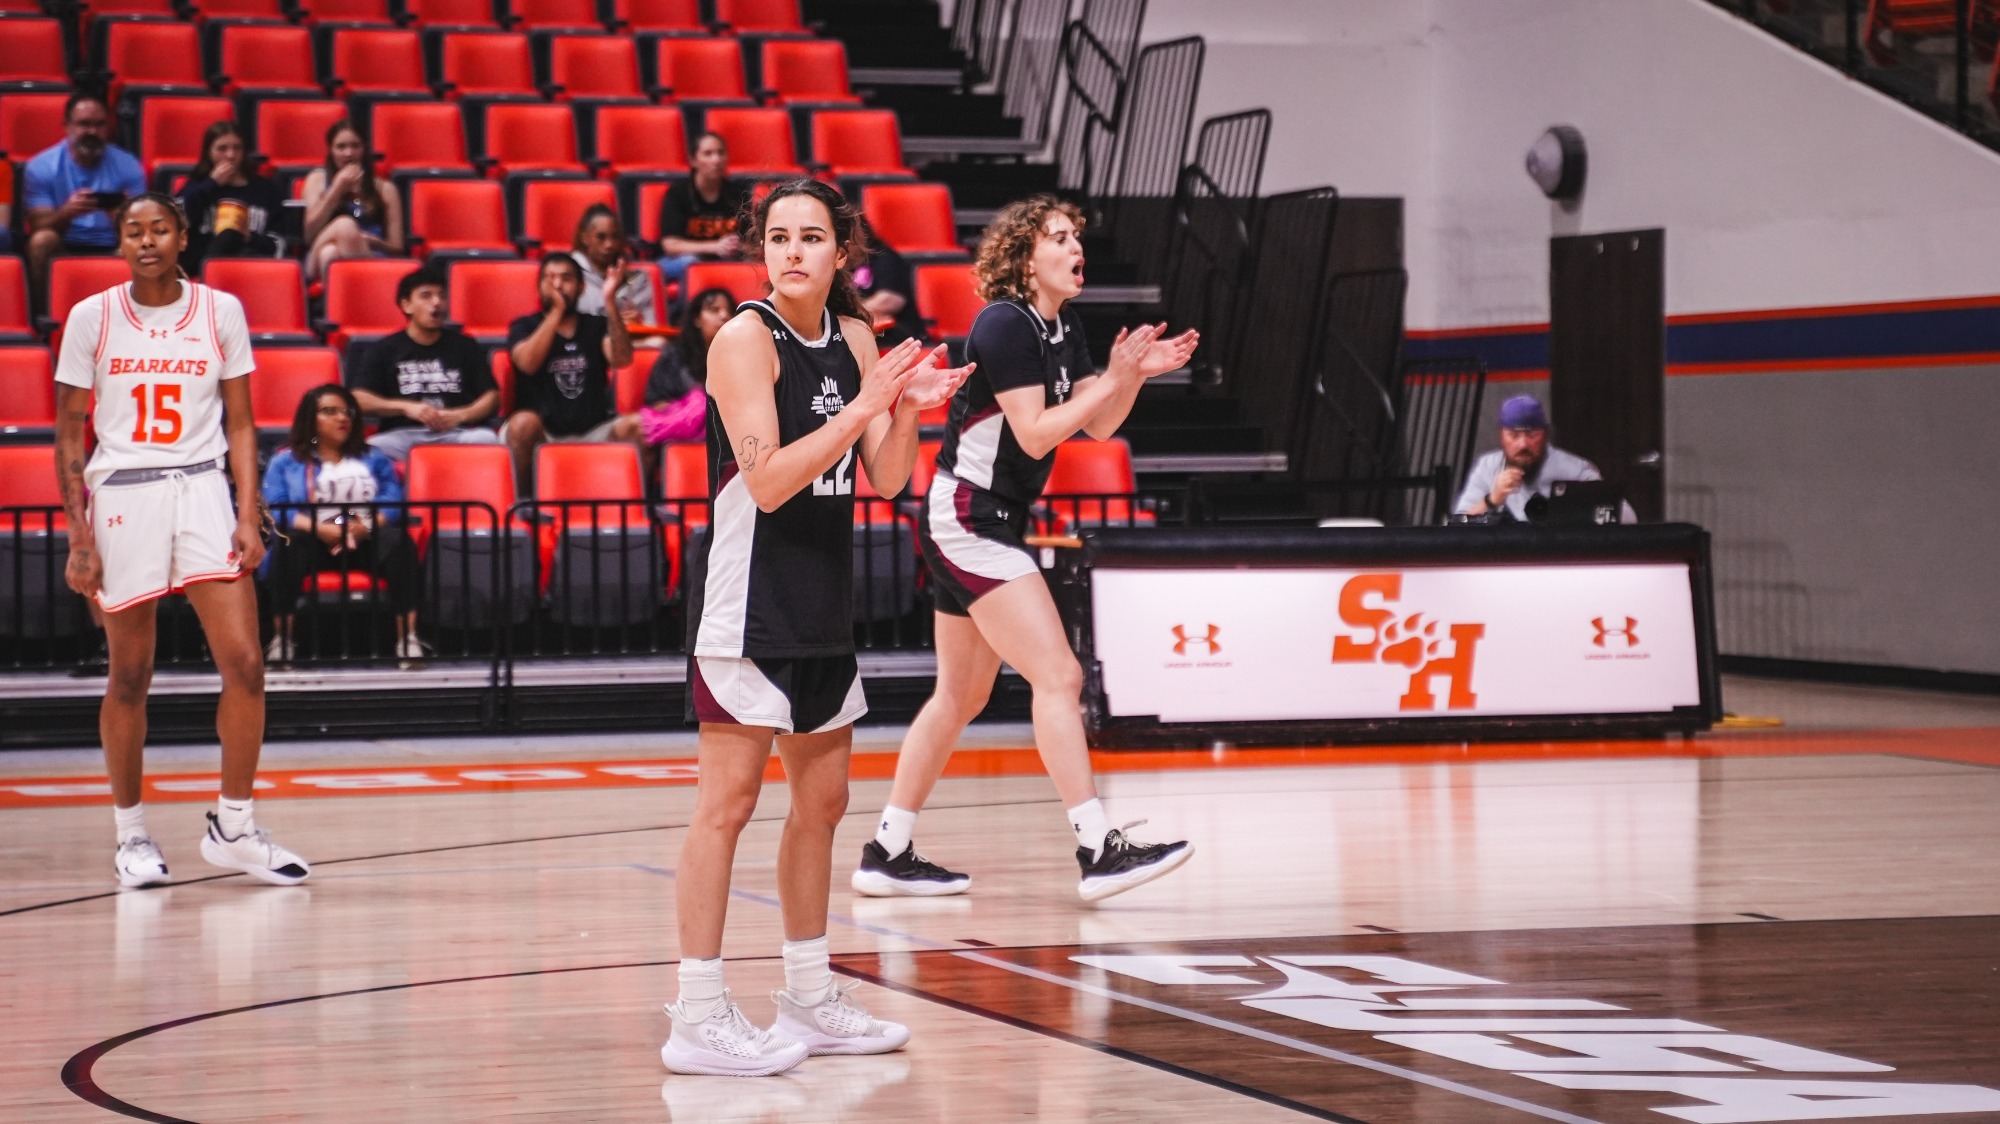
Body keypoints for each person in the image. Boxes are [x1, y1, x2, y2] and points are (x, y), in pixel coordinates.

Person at [665, 179, 969, 1077]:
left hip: (823, 603)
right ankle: (698, 1009)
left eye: (812, 237)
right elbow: (766, 482)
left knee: (825, 804)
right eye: (778, 237)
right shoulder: (743, 339)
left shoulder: (859, 338)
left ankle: (806, 992)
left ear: (843, 251)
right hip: (748, 607)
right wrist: (864, 405)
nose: (793, 250)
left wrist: (906, 404)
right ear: (761, 250)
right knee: (725, 807)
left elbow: (882, 479)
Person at [852, 195, 1199, 903]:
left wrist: (1126, 377)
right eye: (1061, 238)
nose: (1077, 249)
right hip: (969, 515)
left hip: (985, 516)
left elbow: (1099, 430)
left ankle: (887, 848)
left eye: (1078, 238)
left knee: (960, 694)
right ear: (1024, 256)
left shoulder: (1061, 325)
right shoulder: (1005, 324)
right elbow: (1039, 433)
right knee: (1060, 677)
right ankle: (1098, 847)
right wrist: (1112, 376)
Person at [53, 192, 309, 889]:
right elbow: (69, 429)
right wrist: (79, 533)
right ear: (119, 244)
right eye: (132, 231)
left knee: (247, 665)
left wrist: (248, 511)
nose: (145, 241)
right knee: (130, 675)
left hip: (200, 486)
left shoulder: (220, 311)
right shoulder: (92, 317)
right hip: (124, 495)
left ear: (182, 236)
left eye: (158, 228)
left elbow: (244, 423)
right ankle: (131, 836)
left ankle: (235, 826)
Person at [261, 384, 422, 665]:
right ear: (310, 419)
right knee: (288, 543)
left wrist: (366, 526)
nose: (341, 418)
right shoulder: (286, 461)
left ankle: (407, 640)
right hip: (312, 539)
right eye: (329, 412)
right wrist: (320, 529)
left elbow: (392, 500)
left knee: (399, 542)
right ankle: (282, 641)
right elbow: (276, 507)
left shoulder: (373, 457)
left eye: (346, 411)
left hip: (364, 538)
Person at [503, 252, 637, 490]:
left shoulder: (596, 325)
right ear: (538, 288)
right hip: (544, 432)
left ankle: (631, 506)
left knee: (640, 427)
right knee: (521, 425)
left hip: (593, 429)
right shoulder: (524, 325)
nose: (557, 285)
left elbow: (622, 359)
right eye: (550, 278)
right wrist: (556, 312)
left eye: (566, 278)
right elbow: (526, 363)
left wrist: (609, 301)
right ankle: (524, 506)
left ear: (581, 287)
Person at [349, 265, 503, 464]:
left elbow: (492, 398)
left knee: (487, 439)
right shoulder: (384, 349)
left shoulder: (465, 345)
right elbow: (358, 399)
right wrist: (405, 407)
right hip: (403, 435)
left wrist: (459, 415)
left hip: (454, 433)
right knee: (370, 449)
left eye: (442, 296)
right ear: (406, 305)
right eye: (426, 296)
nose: (437, 302)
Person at [23, 93, 146, 293]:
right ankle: (42, 312)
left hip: (113, 244)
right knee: (41, 240)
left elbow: (144, 226)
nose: (92, 131)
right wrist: (66, 212)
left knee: (139, 243)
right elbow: (37, 225)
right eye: (84, 124)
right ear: (67, 126)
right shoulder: (41, 166)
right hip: (64, 243)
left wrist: (122, 218)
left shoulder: (128, 164)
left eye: (100, 125)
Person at [1453, 395, 1635, 523]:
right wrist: (1492, 500)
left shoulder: (1574, 469)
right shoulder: (1488, 467)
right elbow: (1457, 523)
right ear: (1501, 436)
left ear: (1546, 434)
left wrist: (1577, 510)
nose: (1523, 444)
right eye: (1514, 435)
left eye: (1532, 435)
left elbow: (1628, 517)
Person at [300, 119, 402, 282]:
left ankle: (342, 303)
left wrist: (374, 241)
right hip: (315, 255)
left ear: (364, 149)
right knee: (345, 226)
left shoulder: (385, 189)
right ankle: (368, 287)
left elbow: (398, 247)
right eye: (341, 147)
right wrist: (336, 189)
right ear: (331, 151)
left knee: (330, 253)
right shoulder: (316, 180)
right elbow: (308, 234)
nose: (349, 153)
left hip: (371, 255)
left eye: (355, 146)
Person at [175, 121, 285, 269]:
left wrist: (249, 237)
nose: (231, 155)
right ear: (208, 152)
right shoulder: (197, 185)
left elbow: (279, 244)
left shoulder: (266, 189)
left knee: (237, 241)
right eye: (222, 149)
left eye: (237, 148)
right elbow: (176, 219)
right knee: (228, 235)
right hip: (201, 265)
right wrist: (212, 183)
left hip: (252, 264)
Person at [656, 132, 748, 298]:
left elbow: (752, 244)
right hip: (682, 261)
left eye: (721, 153)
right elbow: (670, 245)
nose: (716, 160)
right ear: (693, 160)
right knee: (691, 264)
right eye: (708, 154)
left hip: (726, 262)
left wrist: (737, 246)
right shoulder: (678, 193)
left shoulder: (738, 193)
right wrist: (715, 247)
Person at [640, 286, 731, 448]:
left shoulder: (744, 356)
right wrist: (692, 411)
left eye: (729, 311)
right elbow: (657, 404)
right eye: (714, 310)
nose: (724, 316)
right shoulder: (674, 355)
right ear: (696, 319)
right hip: (676, 430)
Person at [571, 202, 656, 324]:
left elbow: (650, 324)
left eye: (615, 237)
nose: (609, 244)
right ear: (584, 238)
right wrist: (613, 321)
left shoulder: (636, 278)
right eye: (601, 237)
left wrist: (639, 321)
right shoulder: (570, 274)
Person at [854, 218, 923, 347]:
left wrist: (849, 311)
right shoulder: (836, 263)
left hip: (898, 334)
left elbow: (891, 300)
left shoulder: (883, 257)